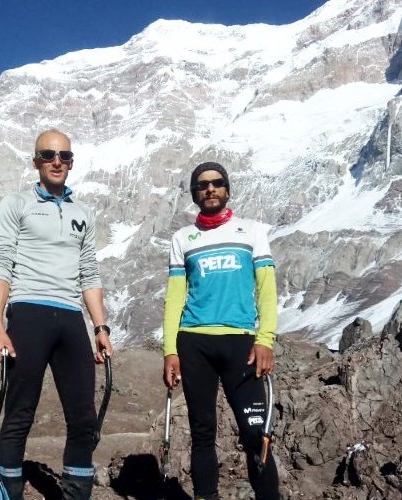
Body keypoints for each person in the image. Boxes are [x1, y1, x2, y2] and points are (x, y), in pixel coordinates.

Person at [0, 128, 113, 500]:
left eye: (65, 156)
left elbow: (89, 272)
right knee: (19, 414)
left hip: (71, 318)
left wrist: (100, 326)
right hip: (28, 314)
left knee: (84, 419)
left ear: (72, 163)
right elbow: (1, 265)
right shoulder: (16, 203)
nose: (57, 161)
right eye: (48, 155)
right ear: (36, 162)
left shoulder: (82, 213)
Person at [162, 162, 279, 500]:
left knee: (256, 432)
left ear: (227, 189)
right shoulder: (182, 238)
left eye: (216, 183)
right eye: (202, 185)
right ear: (194, 194)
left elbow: (267, 289)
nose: (209, 189)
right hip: (194, 343)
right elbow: (174, 299)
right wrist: (170, 350)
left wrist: (265, 339)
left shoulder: (252, 231)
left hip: (241, 344)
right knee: (202, 433)